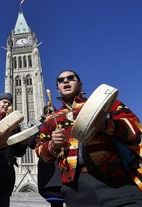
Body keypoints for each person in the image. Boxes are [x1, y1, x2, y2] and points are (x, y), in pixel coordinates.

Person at [35, 70, 142, 206]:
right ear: (57, 89)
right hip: (77, 187)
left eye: (70, 78)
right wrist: (53, 145)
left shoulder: (104, 104)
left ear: (80, 84)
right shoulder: (52, 118)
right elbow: (40, 150)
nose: (65, 81)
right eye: (61, 80)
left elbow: (136, 129)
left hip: (116, 180)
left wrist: (106, 125)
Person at [0, 93, 27, 207]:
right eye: (4, 102)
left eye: (9, 103)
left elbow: (19, 152)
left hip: (5, 172)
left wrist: (24, 143)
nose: (6, 104)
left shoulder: (15, 125)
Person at [28, 105, 64, 207]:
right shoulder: (40, 126)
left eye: (53, 111)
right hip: (50, 173)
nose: (50, 113)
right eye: (48, 111)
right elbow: (31, 143)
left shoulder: (62, 122)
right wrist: (44, 123)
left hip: (66, 169)